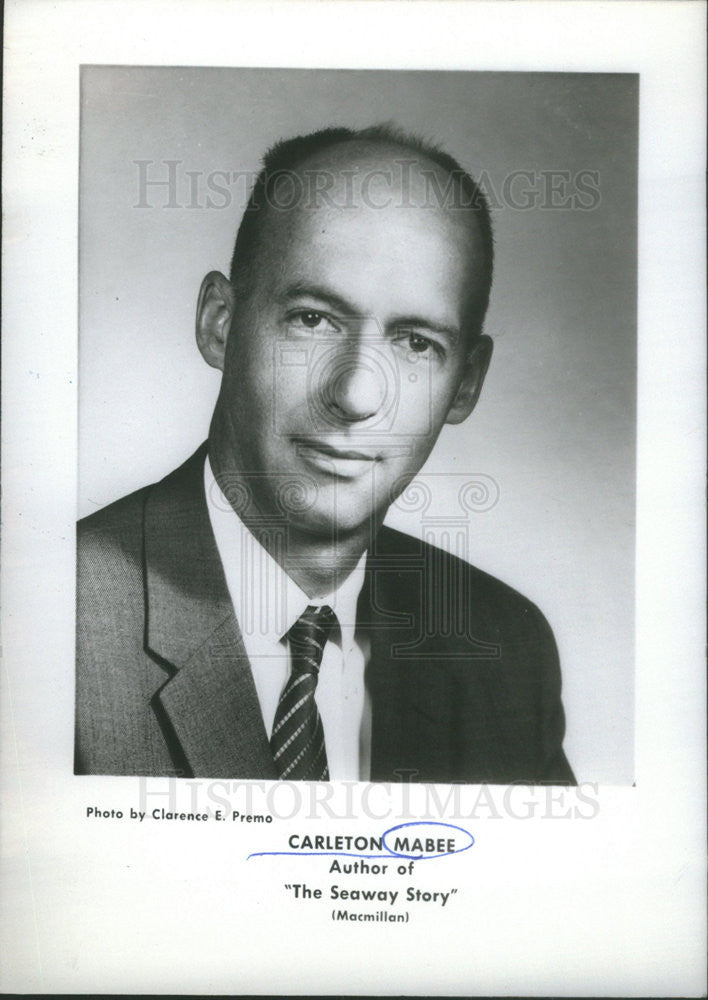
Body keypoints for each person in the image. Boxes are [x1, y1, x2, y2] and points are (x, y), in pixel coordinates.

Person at [76, 124, 575, 784]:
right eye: (313, 319)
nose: (358, 393)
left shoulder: (505, 647)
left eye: (416, 344)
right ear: (219, 323)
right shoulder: (50, 621)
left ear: (467, 383)